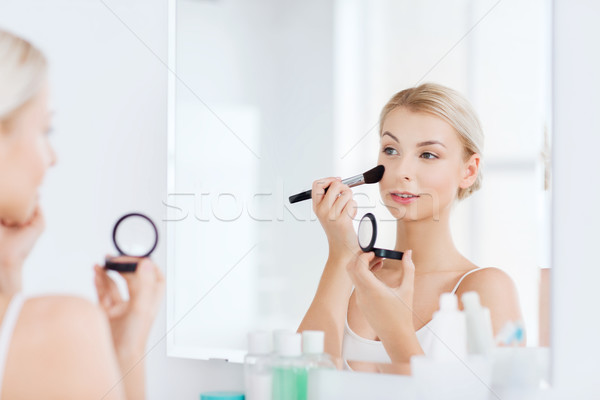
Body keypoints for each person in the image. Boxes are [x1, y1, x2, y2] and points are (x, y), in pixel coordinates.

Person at [298, 83, 524, 372]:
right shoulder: (357, 276)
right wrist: (341, 252)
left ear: (468, 170)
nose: (401, 171)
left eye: (428, 155)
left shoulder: (486, 289)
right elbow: (298, 386)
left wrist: (394, 329)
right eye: (390, 150)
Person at [0, 29, 164, 399]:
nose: (52, 157)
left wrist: (8, 271)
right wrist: (128, 351)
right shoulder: (63, 328)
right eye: (45, 129)